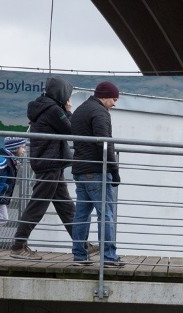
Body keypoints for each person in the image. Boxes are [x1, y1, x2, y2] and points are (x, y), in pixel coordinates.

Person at [10, 77, 93, 260]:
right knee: (38, 204)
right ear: (61, 93)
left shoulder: (44, 106)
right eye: (67, 94)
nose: (68, 98)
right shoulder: (54, 110)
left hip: (50, 162)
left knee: (65, 206)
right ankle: (17, 246)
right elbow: (72, 130)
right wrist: (68, 111)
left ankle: (82, 243)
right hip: (50, 163)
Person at [70, 81, 124, 267]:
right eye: (114, 99)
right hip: (96, 170)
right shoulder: (100, 112)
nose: (115, 103)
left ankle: (79, 255)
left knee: (81, 215)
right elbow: (105, 143)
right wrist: (114, 169)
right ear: (105, 96)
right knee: (106, 213)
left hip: (79, 170)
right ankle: (108, 256)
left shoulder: (81, 110)